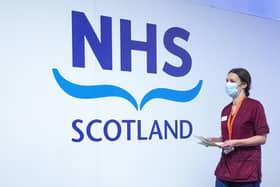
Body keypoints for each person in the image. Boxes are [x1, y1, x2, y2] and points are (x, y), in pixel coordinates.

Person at [208, 68, 270, 187]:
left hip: (246, 171)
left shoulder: (255, 106)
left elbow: (262, 138)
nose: (228, 84)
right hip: (224, 170)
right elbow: (229, 137)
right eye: (226, 80)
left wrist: (236, 142)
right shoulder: (226, 110)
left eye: (232, 81)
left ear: (244, 85)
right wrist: (214, 140)